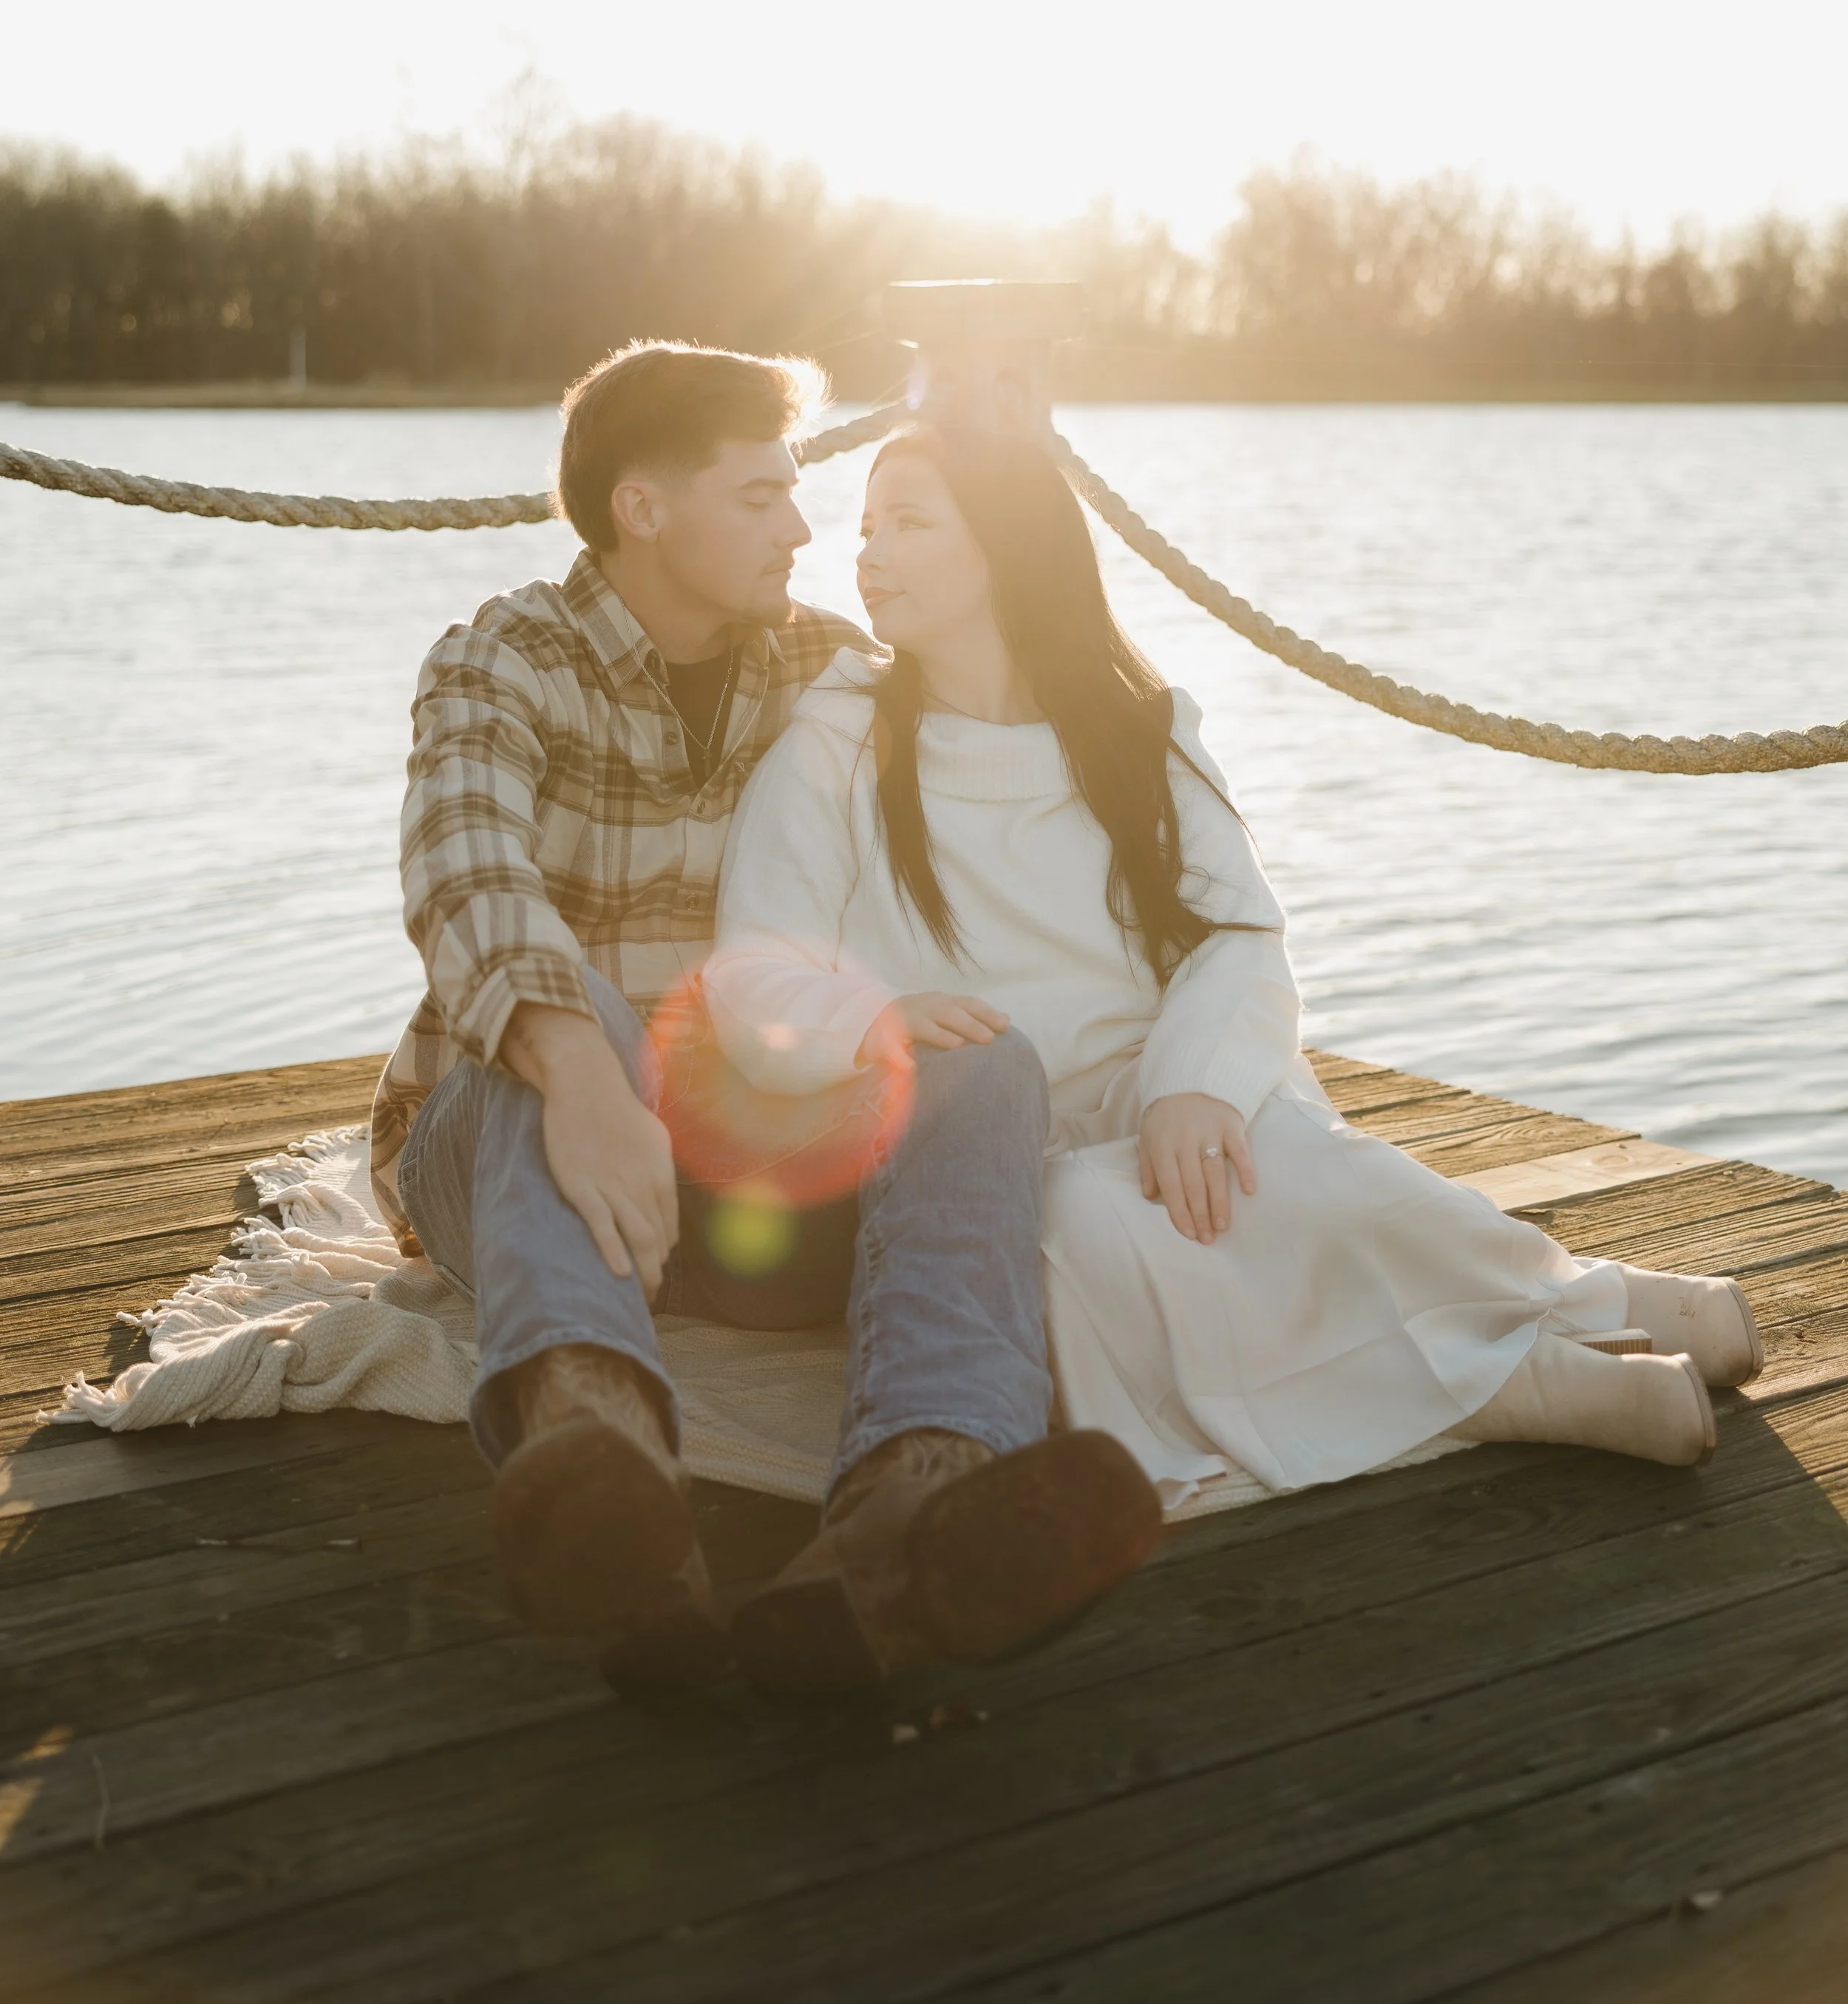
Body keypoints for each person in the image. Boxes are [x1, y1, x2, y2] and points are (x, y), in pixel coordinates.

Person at [705, 426, 1763, 1549]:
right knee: (1085, 1230)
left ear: (1009, 545)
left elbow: (1239, 935)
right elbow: (751, 972)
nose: (868, 554)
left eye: (909, 522)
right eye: (867, 528)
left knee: (1291, 1173)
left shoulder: (1134, 729)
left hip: (1165, 1083)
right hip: (997, 1143)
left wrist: (1194, 1085)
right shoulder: (837, 742)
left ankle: (1584, 1299)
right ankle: (1533, 1388)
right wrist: (869, 1019)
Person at [373, 344, 1163, 1693]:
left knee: (979, 1065)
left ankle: (920, 1500)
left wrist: (982, 461)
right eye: (760, 496)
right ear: (643, 508)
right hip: (515, 1159)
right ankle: (599, 1463)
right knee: (570, 1025)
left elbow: (993, 688)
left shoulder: (825, 669)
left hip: (740, 1183)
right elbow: (469, 879)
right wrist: (585, 1081)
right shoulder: (499, 660)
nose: (804, 528)